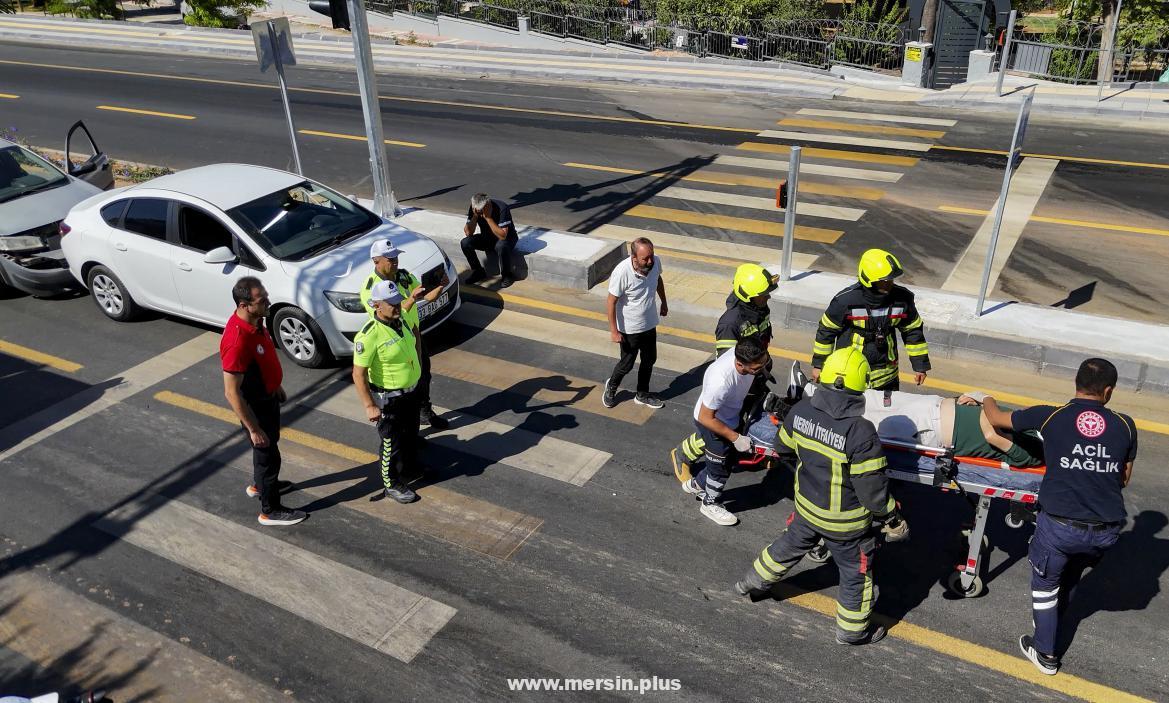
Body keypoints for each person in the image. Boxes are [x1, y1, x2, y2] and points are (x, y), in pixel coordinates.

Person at [735, 348, 907, 645]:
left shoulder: (800, 411)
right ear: (860, 385)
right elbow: (873, 494)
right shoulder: (861, 432)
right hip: (846, 525)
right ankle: (852, 632)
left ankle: (749, 584)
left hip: (806, 509)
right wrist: (894, 518)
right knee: (855, 574)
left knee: (785, 548)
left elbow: (784, 447)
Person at [981, 358, 1137, 676]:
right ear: (1108, 391)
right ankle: (1054, 619)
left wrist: (982, 396)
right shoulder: (1125, 425)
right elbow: (1123, 478)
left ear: (1075, 383)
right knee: (1069, 576)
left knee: (1045, 582)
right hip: (1105, 531)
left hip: (1060, 527)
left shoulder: (1050, 416)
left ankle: (1045, 653)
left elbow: (996, 417)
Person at [672, 264, 777, 482]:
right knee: (722, 430)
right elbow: (728, 363)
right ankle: (682, 454)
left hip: (756, 376)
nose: (767, 296)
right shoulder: (731, 323)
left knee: (749, 419)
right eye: (763, 294)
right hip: (740, 385)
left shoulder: (759, 309)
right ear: (748, 296)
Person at [220, 276, 305, 526]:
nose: (268, 301)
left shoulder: (257, 322)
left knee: (265, 451)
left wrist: (274, 385)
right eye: (262, 299)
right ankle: (270, 510)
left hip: (268, 398)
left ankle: (260, 486)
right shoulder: (237, 341)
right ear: (245, 305)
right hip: (255, 409)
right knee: (268, 455)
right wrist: (253, 428)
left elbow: (262, 361)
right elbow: (231, 392)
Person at [676, 338, 770, 526]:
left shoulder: (747, 353)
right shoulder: (721, 381)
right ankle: (710, 503)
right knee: (720, 468)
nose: (761, 369)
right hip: (713, 423)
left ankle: (696, 485)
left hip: (729, 416)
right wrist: (735, 437)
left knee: (728, 460)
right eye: (757, 368)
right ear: (739, 363)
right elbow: (705, 417)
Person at [361, 239, 450, 430]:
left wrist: (440, 286)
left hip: (413, 336)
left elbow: (425, 295)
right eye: (390, 259)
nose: (395, 262)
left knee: (423, 376)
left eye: (396, 257)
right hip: (394, 344)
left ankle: (424, 412)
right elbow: (389, 318)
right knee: (404, 392)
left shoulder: (403, 276)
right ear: (376, 261)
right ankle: (408, 431)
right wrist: (411, 299)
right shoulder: (371, 289)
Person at [811, 249, 929, 391]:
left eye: (891, 279)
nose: (889, 284)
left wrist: (920, 366)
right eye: (884, 281)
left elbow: (913, 331)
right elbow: (826, 332)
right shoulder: (845, 301)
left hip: (887, 377)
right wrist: (819, 365)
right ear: (868, 281)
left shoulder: (902, 300)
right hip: (851, 375)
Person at [352, 280, 425, 504]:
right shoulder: (368, 336)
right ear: (376, 305)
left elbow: (404, 307)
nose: (396, 306)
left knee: (411, 435)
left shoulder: (398, 318)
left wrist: (411, 298)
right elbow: (358, 374)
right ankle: (390, 484)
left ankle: (409, 469)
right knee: (391, 443)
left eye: (397, 301)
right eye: (391, 303)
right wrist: (369, 405)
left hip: (410, 393)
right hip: (390, 399)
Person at [603, 237, 667, 410]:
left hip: (649, 323)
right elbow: (611, 302)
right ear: (634, 257)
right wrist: (614, 331)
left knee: (649, 360)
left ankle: (642, 394)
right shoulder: (622, 272)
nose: (650, 261)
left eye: (651, 256)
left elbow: (658, 279)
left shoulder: (655, 263)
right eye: (645, 258)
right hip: (629, 329)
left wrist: (664, 302)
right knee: (627, 364)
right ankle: (612, 387)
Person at [462, 192, 518, 288]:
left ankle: (507, 275)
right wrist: (475, 216)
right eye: (477, 210)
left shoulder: (502, 208)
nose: (480, 212)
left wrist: (488, 218)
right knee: (465, 242)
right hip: (487, 238)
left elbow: (503, 236)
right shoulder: (475, 209)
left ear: (487, 204)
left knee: (501, 245)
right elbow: (468, 233)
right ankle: (478, 271)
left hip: (507, 240)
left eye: (482, 210)